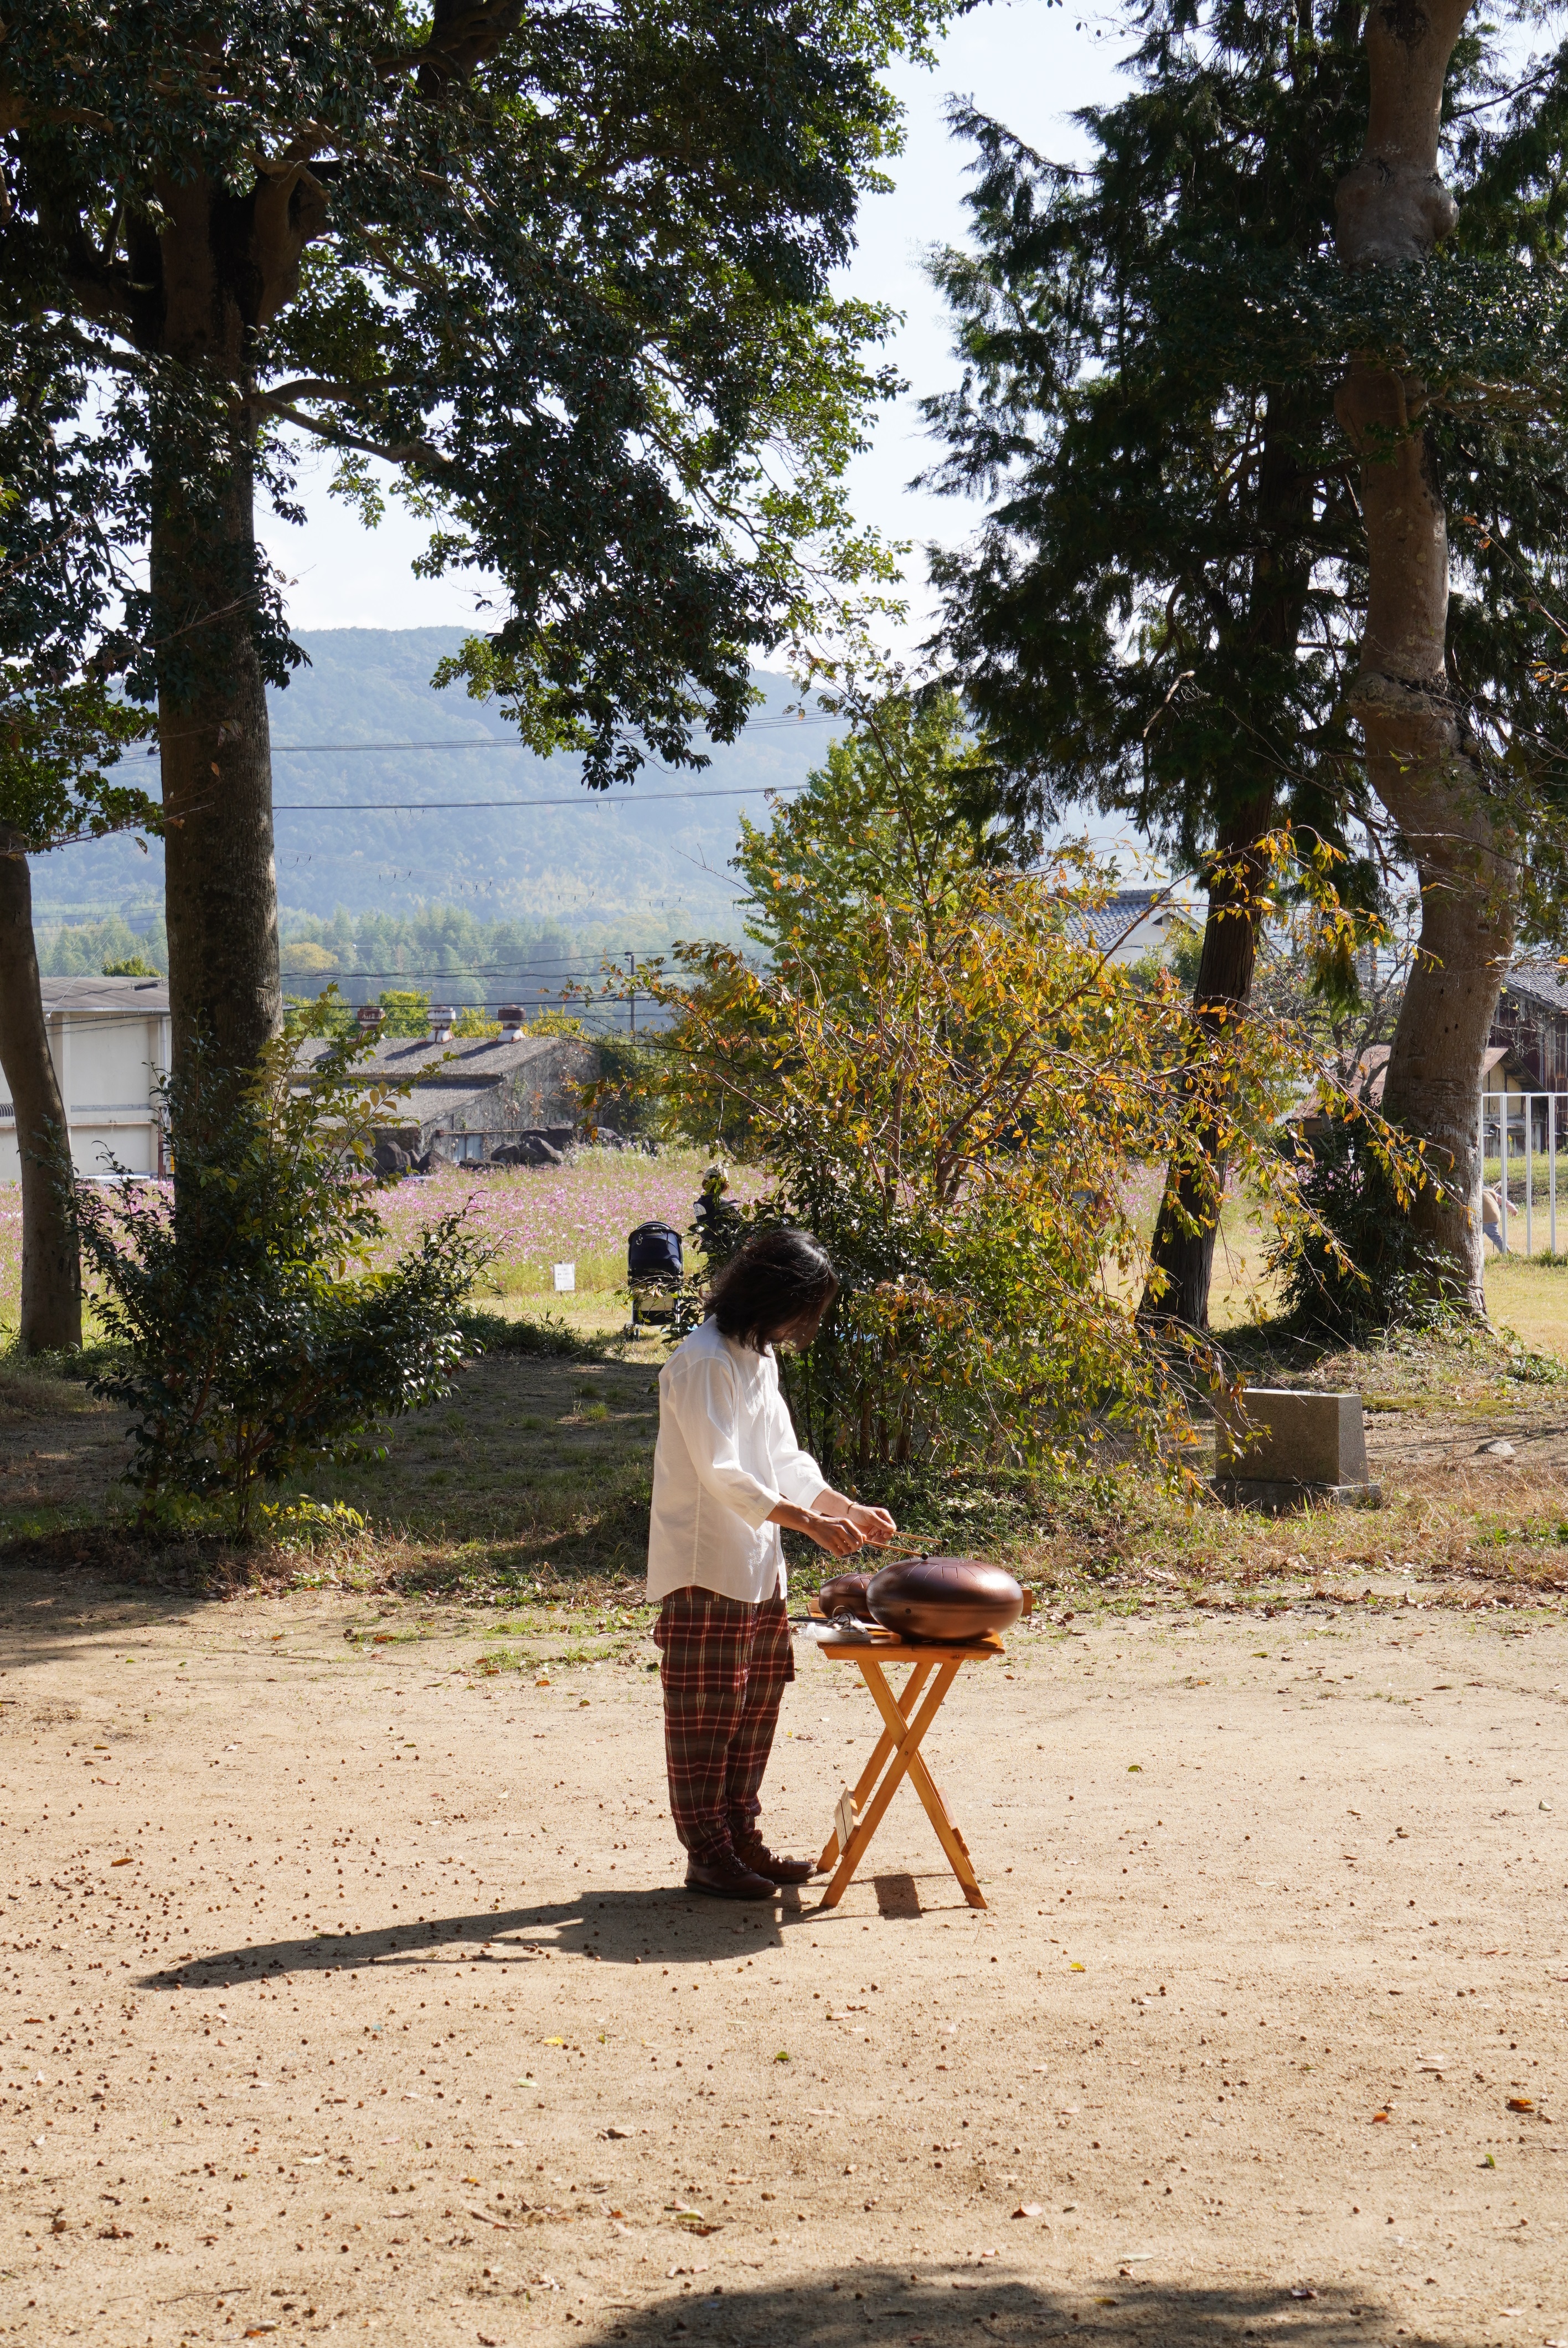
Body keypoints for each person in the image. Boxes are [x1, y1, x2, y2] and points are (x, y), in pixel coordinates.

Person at [646, 1227, 897, 1899]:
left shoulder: (757, 1357)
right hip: (705, 1566)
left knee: (755, 1706)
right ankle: (708, 1853)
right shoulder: (703, 1361)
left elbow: (784, 1459)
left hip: (758, 1567)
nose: (800, 1327)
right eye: (801, 1311)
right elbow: (723, 1473)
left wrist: (846, 1508)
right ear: (770, 1297)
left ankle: (741, 1840)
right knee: (706, 1715)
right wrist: (810, 1522)